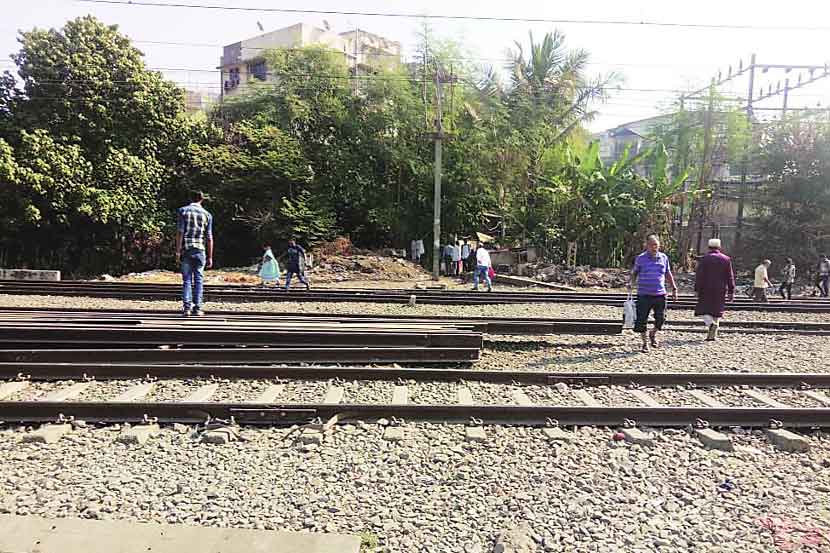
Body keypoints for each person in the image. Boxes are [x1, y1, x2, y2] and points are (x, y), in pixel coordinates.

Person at [628, 234, 678, 353]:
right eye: (652, 245)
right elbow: (634, 272)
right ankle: (645, 343)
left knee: (661, 319)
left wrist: (674, 288)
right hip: (644, 294)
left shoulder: (663, 257)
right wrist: (631, 283)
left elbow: (667, 273)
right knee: (642, 320)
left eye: (656, 245)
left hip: (660, 294)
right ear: (647, 246)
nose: (654, 247)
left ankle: (653, 333)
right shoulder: (640, 258)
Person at [176, 191, 214, 317]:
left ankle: (187, 308)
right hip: (200, 250)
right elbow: (209, 237)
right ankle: (197, 308)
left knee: (187, 280)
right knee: (199, 279)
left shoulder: (183, 211)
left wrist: (177, 251)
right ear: (202, 199)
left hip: (187, 249)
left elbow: (180, 232)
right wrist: (210, 257)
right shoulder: (207, 215)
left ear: (190, 198)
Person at [694, 238, 736, 341]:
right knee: (716, 311)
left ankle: (710, 323)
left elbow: (699, 275)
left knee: (702, 309)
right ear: (719, 247)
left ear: (708, 247)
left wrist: (696, 288)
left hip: (705, 288)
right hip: (720, 289)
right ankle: (712, 336)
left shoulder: (704, 259)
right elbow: (730, 276)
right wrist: (731, 290)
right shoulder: (726, 259)